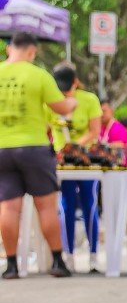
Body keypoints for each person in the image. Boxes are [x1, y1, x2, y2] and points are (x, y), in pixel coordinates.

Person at [0, 30, 76, 278]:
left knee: (9, 207)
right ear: (32, 51)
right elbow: (61, 108)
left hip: (2, 148)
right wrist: (72, 102)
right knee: (45, 206)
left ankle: (11, 265)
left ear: (9, 48)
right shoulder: (38, 75)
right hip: (33, 147)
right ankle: (57, 261)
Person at [51, 63, 103, 272]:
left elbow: (94, 131)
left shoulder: (89, 100)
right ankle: (68, 255)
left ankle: (93, 255)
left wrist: (74, 147)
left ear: (75, 82)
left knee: (90, 204)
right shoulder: (52, 102)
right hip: (63, 163)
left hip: (85, 161)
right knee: (67, 206)